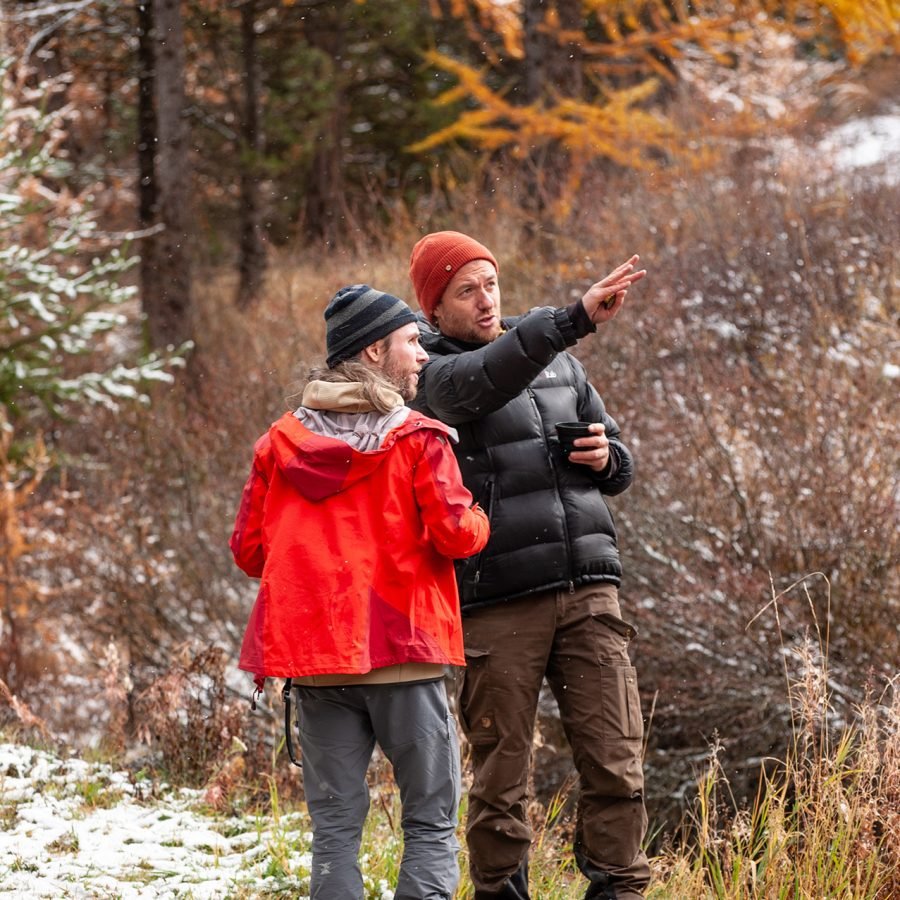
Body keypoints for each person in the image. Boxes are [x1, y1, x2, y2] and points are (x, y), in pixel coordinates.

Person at [407, 232, 651, 900]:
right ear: (434, 308)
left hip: (590, 591)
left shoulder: (555, 359)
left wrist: (609, 460)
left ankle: (619, 891)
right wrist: (571, 321)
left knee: (616, 761)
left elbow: (620, 463)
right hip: (498, 600)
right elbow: (477, 386)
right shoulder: (429, 372)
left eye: (491, 283)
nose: (486, 300)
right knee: (502, 775)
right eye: (467, 290)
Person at [229, 284, 490, 900]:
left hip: (318, 664)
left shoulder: (279, 444)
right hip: (403, 652)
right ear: (374, 352)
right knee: (429, 824)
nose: (423, 354)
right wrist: (480, 513)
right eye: (410, 342)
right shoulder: (420, 438)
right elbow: (456, 535)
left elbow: (249, 552)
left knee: (336, 831)